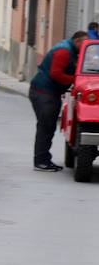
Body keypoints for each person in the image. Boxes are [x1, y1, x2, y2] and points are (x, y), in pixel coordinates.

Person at [30, 32, 83, 171]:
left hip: (47, 92)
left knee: (47, 126)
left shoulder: (69, 49)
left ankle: (44, 159)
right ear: (77, 41)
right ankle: (41, 161)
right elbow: (56, 74)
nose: (84, 47)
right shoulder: (64, 51)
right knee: (46, 126)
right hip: (44, 92)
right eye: (83, 44)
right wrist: (74, 80)